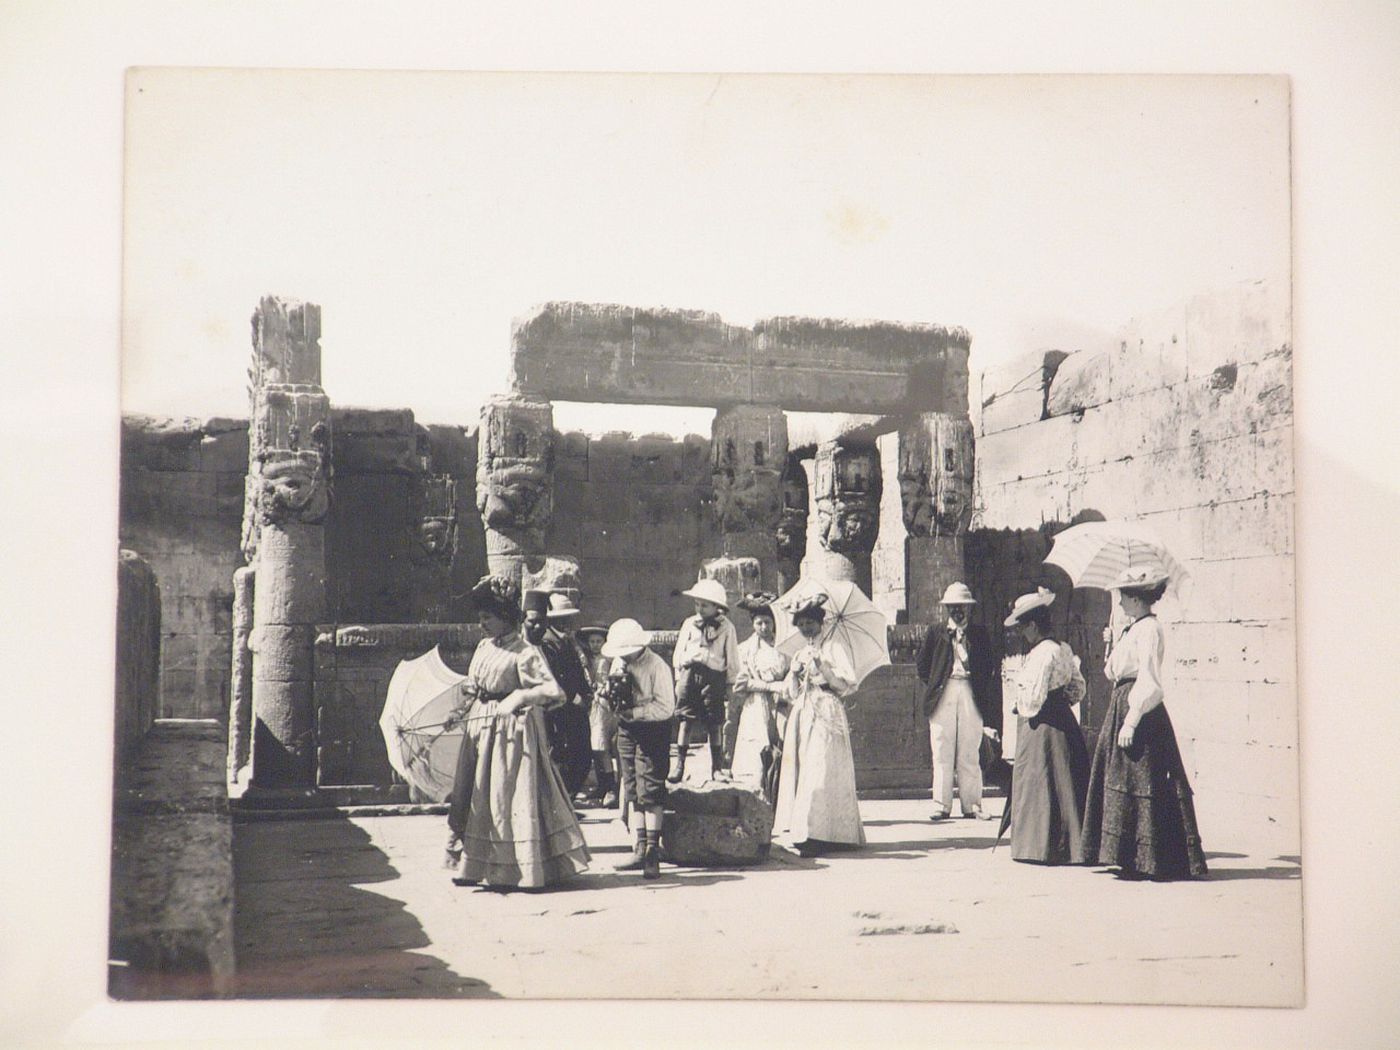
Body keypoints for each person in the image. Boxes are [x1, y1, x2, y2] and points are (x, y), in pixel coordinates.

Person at [444, 575, 590, 889]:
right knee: (475, 792)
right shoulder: (484, 646)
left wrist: (520, 697)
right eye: (480, 617)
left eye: (488, 618)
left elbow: (554, 691)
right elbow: (473, 687)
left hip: (511, 734)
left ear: (506, 617)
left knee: (503, 797)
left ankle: (512, 871)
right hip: (481, 727)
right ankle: (473, 866)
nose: (482, 624)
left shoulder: (525, 652)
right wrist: (457, 713)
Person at [1081, 566, 1209, 880]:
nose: (1120, 602)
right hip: (1121, 703)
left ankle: (1152, 859)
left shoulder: (1149, 629)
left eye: (1123, 595)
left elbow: (1150, 681)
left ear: (1137, 598)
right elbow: (1113, 673)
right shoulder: (1133, 629)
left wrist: (1132, 720)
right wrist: (1112, 644)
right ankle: (1129, 857)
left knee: (1143, 781)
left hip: (1140, 712)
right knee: (1123, 779)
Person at [772, 593, 866, 857]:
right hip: (803, 710)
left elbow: (846, 685)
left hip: (826, 708)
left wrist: (822, 667)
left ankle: (827, 832)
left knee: (822, 767)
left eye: (810, 623)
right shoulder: (801, 651)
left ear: (820, 621)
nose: (806, 628)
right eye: (801, 624)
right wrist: (795, 672)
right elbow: (790, 692)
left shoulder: (833, 646)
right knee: (803, 768)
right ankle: (805, 829)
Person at [1003, 587, 1091, 864]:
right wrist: (1061, 699)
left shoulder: (1041, 653)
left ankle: (1040, 845)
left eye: (1023, 627)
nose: (1021, 633)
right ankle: (1071, 844)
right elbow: (1078, 687)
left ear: (1032, 625)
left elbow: (1032, 698)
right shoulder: (1063, 649)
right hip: (1063, 720)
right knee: (1064, 780)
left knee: (1040, 779)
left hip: (1041, 725)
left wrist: (1020, 704)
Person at [915, 582, 1001, 821]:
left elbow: (988, 665)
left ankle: (972, 804)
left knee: (969, 749)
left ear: (969, 608)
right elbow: (923, 665)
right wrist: (936, 684)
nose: (957, 611)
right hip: (944, 692)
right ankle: (941, 805)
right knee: (941, 748)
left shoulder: (979, 634)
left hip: (970, 691)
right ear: (946, 609)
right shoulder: (935, 632)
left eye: (962, 606)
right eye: (953, 607)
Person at [600, 618, 677, 880]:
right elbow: (615, 689)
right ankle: (640, 846)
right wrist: (608, 696)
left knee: (651, 789)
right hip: (627, 729)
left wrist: (637, 712)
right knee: (632, 786)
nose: (621, 657)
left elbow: (667, 707)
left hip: (652, 729)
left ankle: (653, 851)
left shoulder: (657, 667)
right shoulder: (620, 661)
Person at [522, 590, 594, 801]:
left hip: (566, 711)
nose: (537, 627)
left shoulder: (561, 643)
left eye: (541, 622)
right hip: (545, 712)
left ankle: (565, 800)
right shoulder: (530, 647)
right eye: (532, 622)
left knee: (577, 756)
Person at [669, 577, 740, 784]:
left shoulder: (727, 628)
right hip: (690, 674)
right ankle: (679, 766)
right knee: (685, 720)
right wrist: (678, 677)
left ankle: (716, 768)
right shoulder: (689, 624)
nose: (700, 608)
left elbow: (732, 657)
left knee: (714, 722)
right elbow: (679, 652)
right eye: (697, 604)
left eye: (705, 605)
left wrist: (730, 683)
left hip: (713, 677)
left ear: (717, 606)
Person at [730, 592, 790, 782]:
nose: (764, 627)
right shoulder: (746, 649)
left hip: (782, 702)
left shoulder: (784, 647)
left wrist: (785, 684)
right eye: (759, 623)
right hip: (756, 704)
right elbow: (741, 682)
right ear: (753, 624)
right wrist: (770, 686)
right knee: (757, 749)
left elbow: (791, 671)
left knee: (783, 749)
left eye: (767, 622)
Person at [576, 624, 619, 808]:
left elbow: (606, 682)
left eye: (598, 641)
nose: (594, 645)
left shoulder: (606, 660)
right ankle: (602, 785)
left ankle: (611, 788)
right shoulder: (587, 660)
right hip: (591, 705)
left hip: (603, 705)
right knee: (595, 747)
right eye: (592, 641)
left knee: (601, 746)